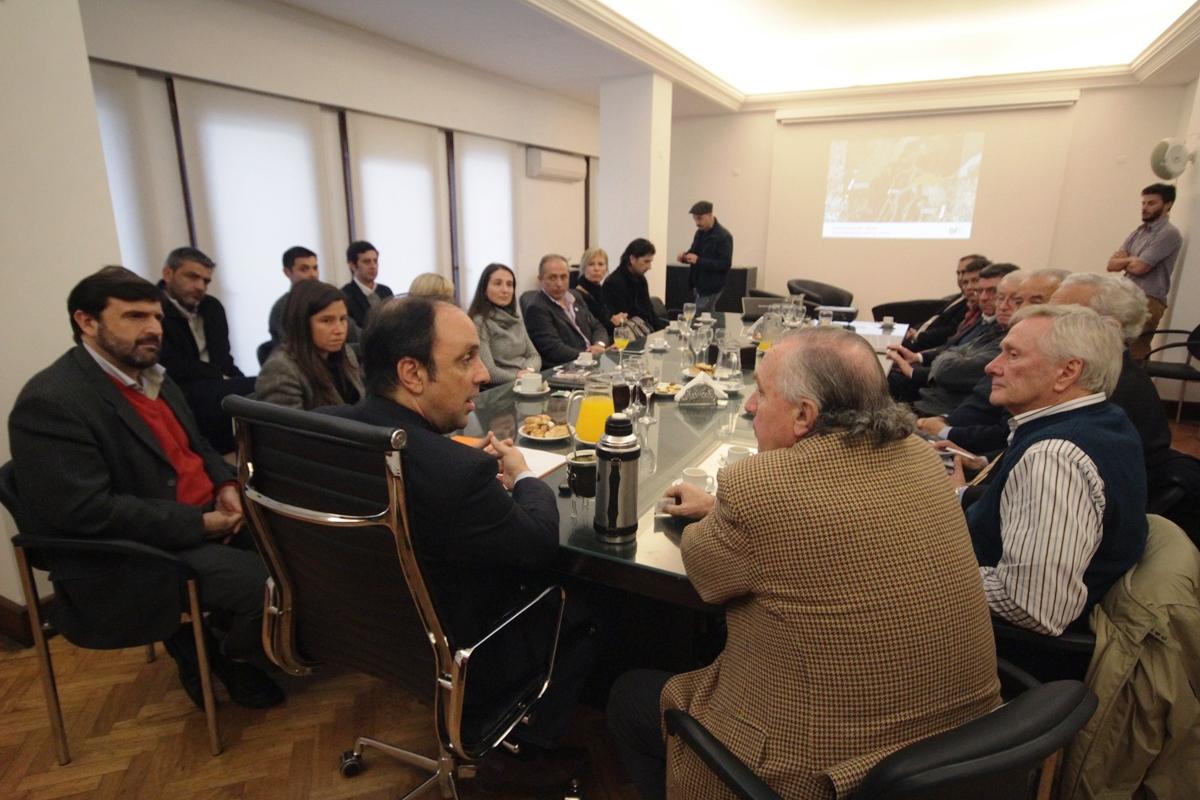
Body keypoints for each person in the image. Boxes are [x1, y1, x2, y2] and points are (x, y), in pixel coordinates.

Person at [607, 327, 1001, 800]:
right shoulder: (920, 456)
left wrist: (721, 514)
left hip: (828, 774)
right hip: (965, 756)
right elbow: (841, 519)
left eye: (761, 393)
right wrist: (720, 509)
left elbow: (707, 575)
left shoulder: (761, 487)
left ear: (804, 415)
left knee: (629, 695)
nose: (750, 405)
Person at [320, 297, 593, 790]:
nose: (483, 374)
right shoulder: (458, 474)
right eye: (466, 359)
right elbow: (538, 546)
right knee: (589, 600)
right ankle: (520, 751)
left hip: (368, 632)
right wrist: (523, 476)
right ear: (412, 373)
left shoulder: (329, 431)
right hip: (466, 647)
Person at [8, 266, 282, 709]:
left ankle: (232, 638)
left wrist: (226, 484)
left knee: (303, 553)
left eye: (156, 316)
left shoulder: (155, 376)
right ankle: (221, 655)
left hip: (208, 514)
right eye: (135, 316)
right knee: (265, 586)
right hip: (145, 544)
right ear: (86, 321)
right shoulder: (52, 401)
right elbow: (85, 511)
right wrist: (200, 523)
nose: (154, 328)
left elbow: (198, 446)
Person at [959, 305, 1147, 635]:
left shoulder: (1054, 457)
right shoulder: (1105, 418)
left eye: (1012, 355)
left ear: (1067, 372)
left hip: (995, 644)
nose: (992, 366)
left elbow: (1034, 605)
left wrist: (930, 574)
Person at [157, 246, 257, 454]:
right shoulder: (154, 310)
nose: (200, 287)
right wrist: (221, 376)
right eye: (192, 277)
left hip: (214, 382)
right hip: (178, 388)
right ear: (168, 274)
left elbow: (224, 357)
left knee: (263, 388)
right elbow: (169, 364)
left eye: (206, 281)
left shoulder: (212, 307)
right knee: (255, 390)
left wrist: (237, 378)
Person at [887, 263, 1020, 416]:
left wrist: (914, 370)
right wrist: (918, 357)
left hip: (940, 406)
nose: (983, 298)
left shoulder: (1008, 337)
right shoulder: (990, 324)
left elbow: (952, 371)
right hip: (931, 392)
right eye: (1001, 298)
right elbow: (951, 348)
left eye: (993, 292)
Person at [256, 280, 363, 409]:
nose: (339, 330)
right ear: (302, 323)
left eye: (342, 319)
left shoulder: (347, 354)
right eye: (326, 321)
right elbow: (286, 422)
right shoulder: (281, 370)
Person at [1107, 183, 1181, 360]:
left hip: (1149, 299)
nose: (1145, 208)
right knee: (1113, 347)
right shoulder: (1138, 232)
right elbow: (1111, 265)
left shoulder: (1169, 233)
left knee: (1135, 352)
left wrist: (1127, 261)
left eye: (1151, 203)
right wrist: (1131, 260)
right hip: (1126, 294)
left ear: (1168, 205)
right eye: (1144, 203)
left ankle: (1136, 379)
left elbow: (1140, 268)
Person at [524, 253, 609, 368]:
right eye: (552, 277)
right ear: (541, 279)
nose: (559, 284)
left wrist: (599, 345)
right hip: (567, 367)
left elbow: (597, 326)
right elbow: (554, 349)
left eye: (564, 277)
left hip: (592, 362)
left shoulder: (575, 296)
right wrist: (589, 355)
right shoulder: (537, 308)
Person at [467, 262, 541, 384]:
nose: (505, 290)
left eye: (509, 284)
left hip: (526, 381)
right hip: (501, 387)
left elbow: (534, 356)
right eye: (498, 284)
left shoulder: (516, 319)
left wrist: (528, 370)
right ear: (484, 289)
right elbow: (488, 371)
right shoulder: (479, 322)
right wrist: (518, 377)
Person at [905, 254, 989, 350]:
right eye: (959, 273)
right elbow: (935, 320)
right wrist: (915, 330)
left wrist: (918, 337)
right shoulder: (958, 298)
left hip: (928, 346)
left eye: (975, 280)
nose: (960, 278)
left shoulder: (976, 309)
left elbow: (950, 333)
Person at [676, 200, 733, 314]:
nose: (697, 223)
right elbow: (694, 253)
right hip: (699, 285)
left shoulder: (723, 236)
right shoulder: (700, 233)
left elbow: (725, 264)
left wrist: (698, 260)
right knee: (705, 317)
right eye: (695, 219)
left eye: (699, 218)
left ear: (710, 215)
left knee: (699, 317)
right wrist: (685, 257)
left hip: (711, 287)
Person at [604, 238, 666, 333]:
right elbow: (624, 319)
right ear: (632, 259)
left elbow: (649, 311)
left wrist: (664, 332)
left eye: (650, 262)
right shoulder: (613, 283)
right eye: (646, 261)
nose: (649, 267)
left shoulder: (641, 279)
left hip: (644, 331)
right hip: (628, 335)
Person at [268, 245, 321, 347]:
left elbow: (353, 334)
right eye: (304, 269)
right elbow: (295, 347)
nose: (313, 274)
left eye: (315, 268)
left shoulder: (327, 300)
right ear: (287, 272)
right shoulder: (284, 307)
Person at [574, 247, 627, 335]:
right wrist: (613, 323)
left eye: (601, 264)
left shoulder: (602, 290)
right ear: (583, 268)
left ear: (606, 269)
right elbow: (591, 328)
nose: (596, 269)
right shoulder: (578, 295)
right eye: (591, 264)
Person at [341, 240, 394, 329]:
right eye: (367, 262)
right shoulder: (345, 295)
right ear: (352, 265)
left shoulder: (386, 291)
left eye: (375, 261)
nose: (373, 266)